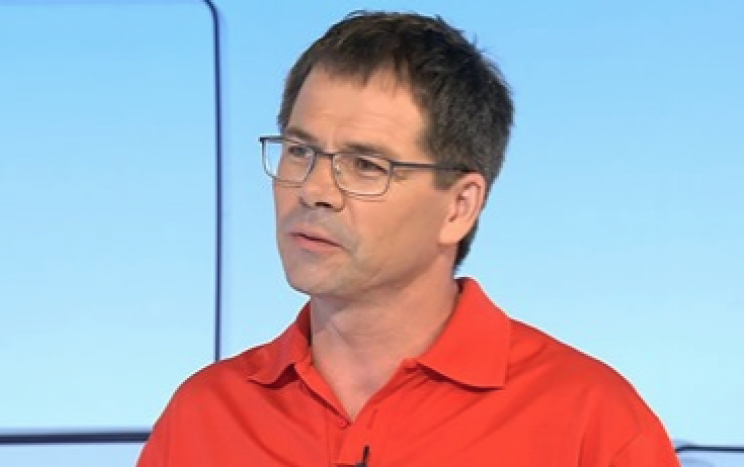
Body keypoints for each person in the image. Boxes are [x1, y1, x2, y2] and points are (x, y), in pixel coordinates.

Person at [137, 10, 680, 466]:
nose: (314, 190)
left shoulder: (590, 422)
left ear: (459, 206)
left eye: (366, 165)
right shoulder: (204, 416)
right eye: (300, 151)